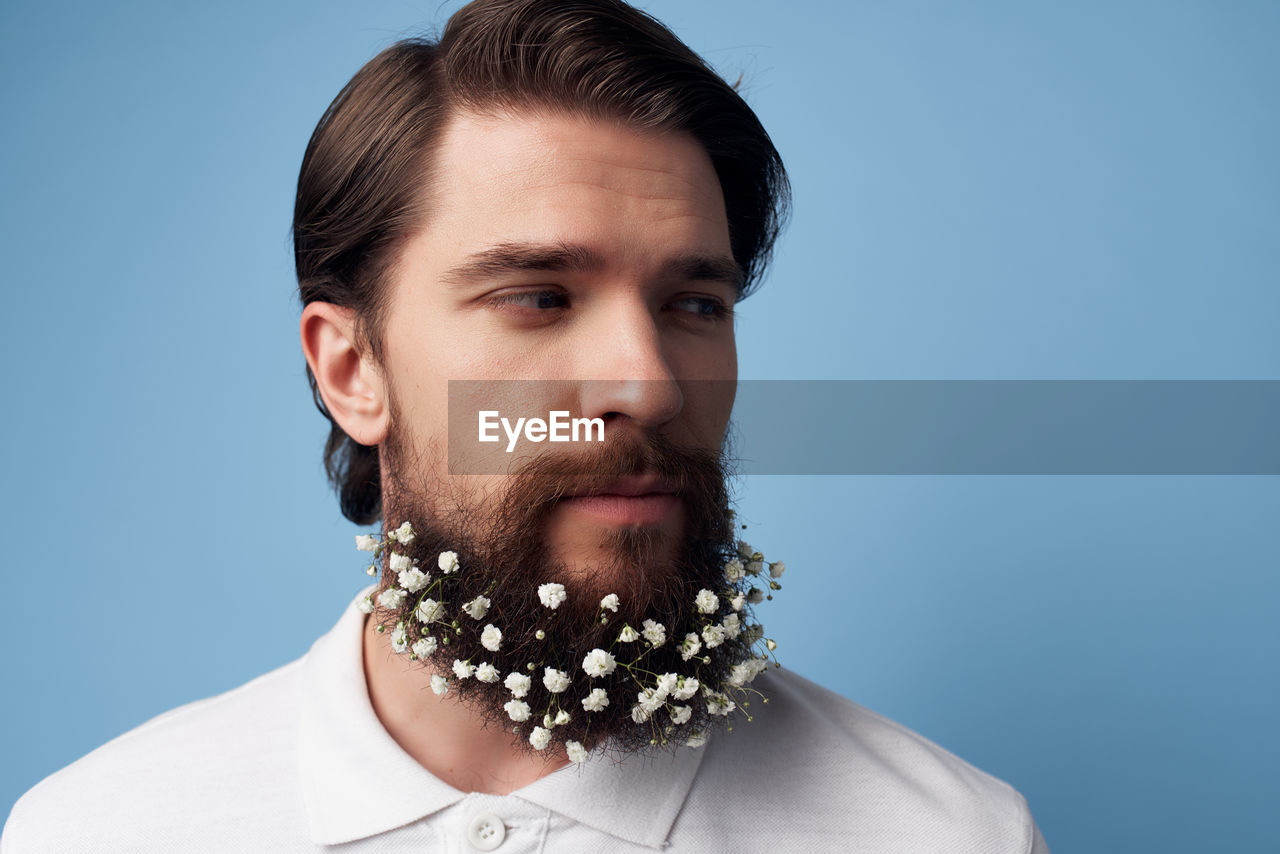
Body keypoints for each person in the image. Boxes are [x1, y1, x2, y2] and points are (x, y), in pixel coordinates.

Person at [2, 1, 1049, 851]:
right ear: (352, 368)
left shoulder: (942, 834)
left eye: (695, 303)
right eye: (539, 297)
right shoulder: (100, 831)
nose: (646, 387)